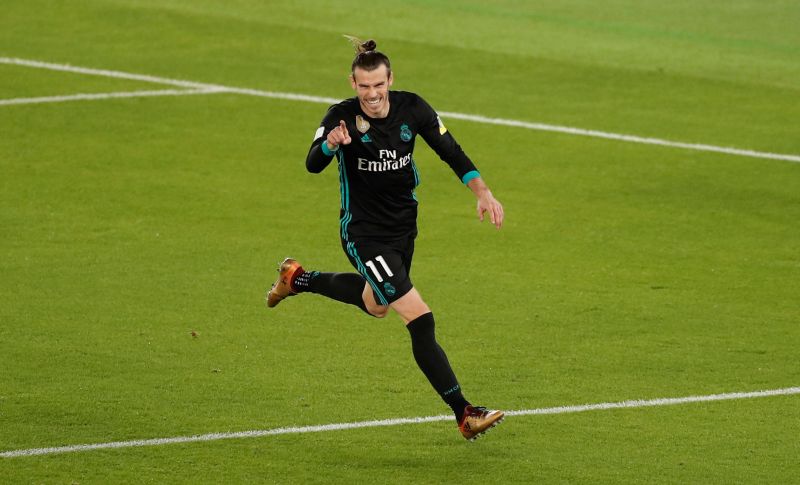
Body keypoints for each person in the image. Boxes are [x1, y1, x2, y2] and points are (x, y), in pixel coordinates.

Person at [266, 38, 505, 441]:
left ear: (390, 79)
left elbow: (450, 150)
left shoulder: (414, 108)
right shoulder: (339, 117)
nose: (372, 95)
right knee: (419, 316)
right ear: (353, 83)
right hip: (363, 233)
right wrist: (330, 144)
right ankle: (464, 411)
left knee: (375, 304)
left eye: (379, 85)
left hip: (402, 229)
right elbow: (311, 163)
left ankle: (297, 279)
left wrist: (481, 190)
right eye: (364, 87)